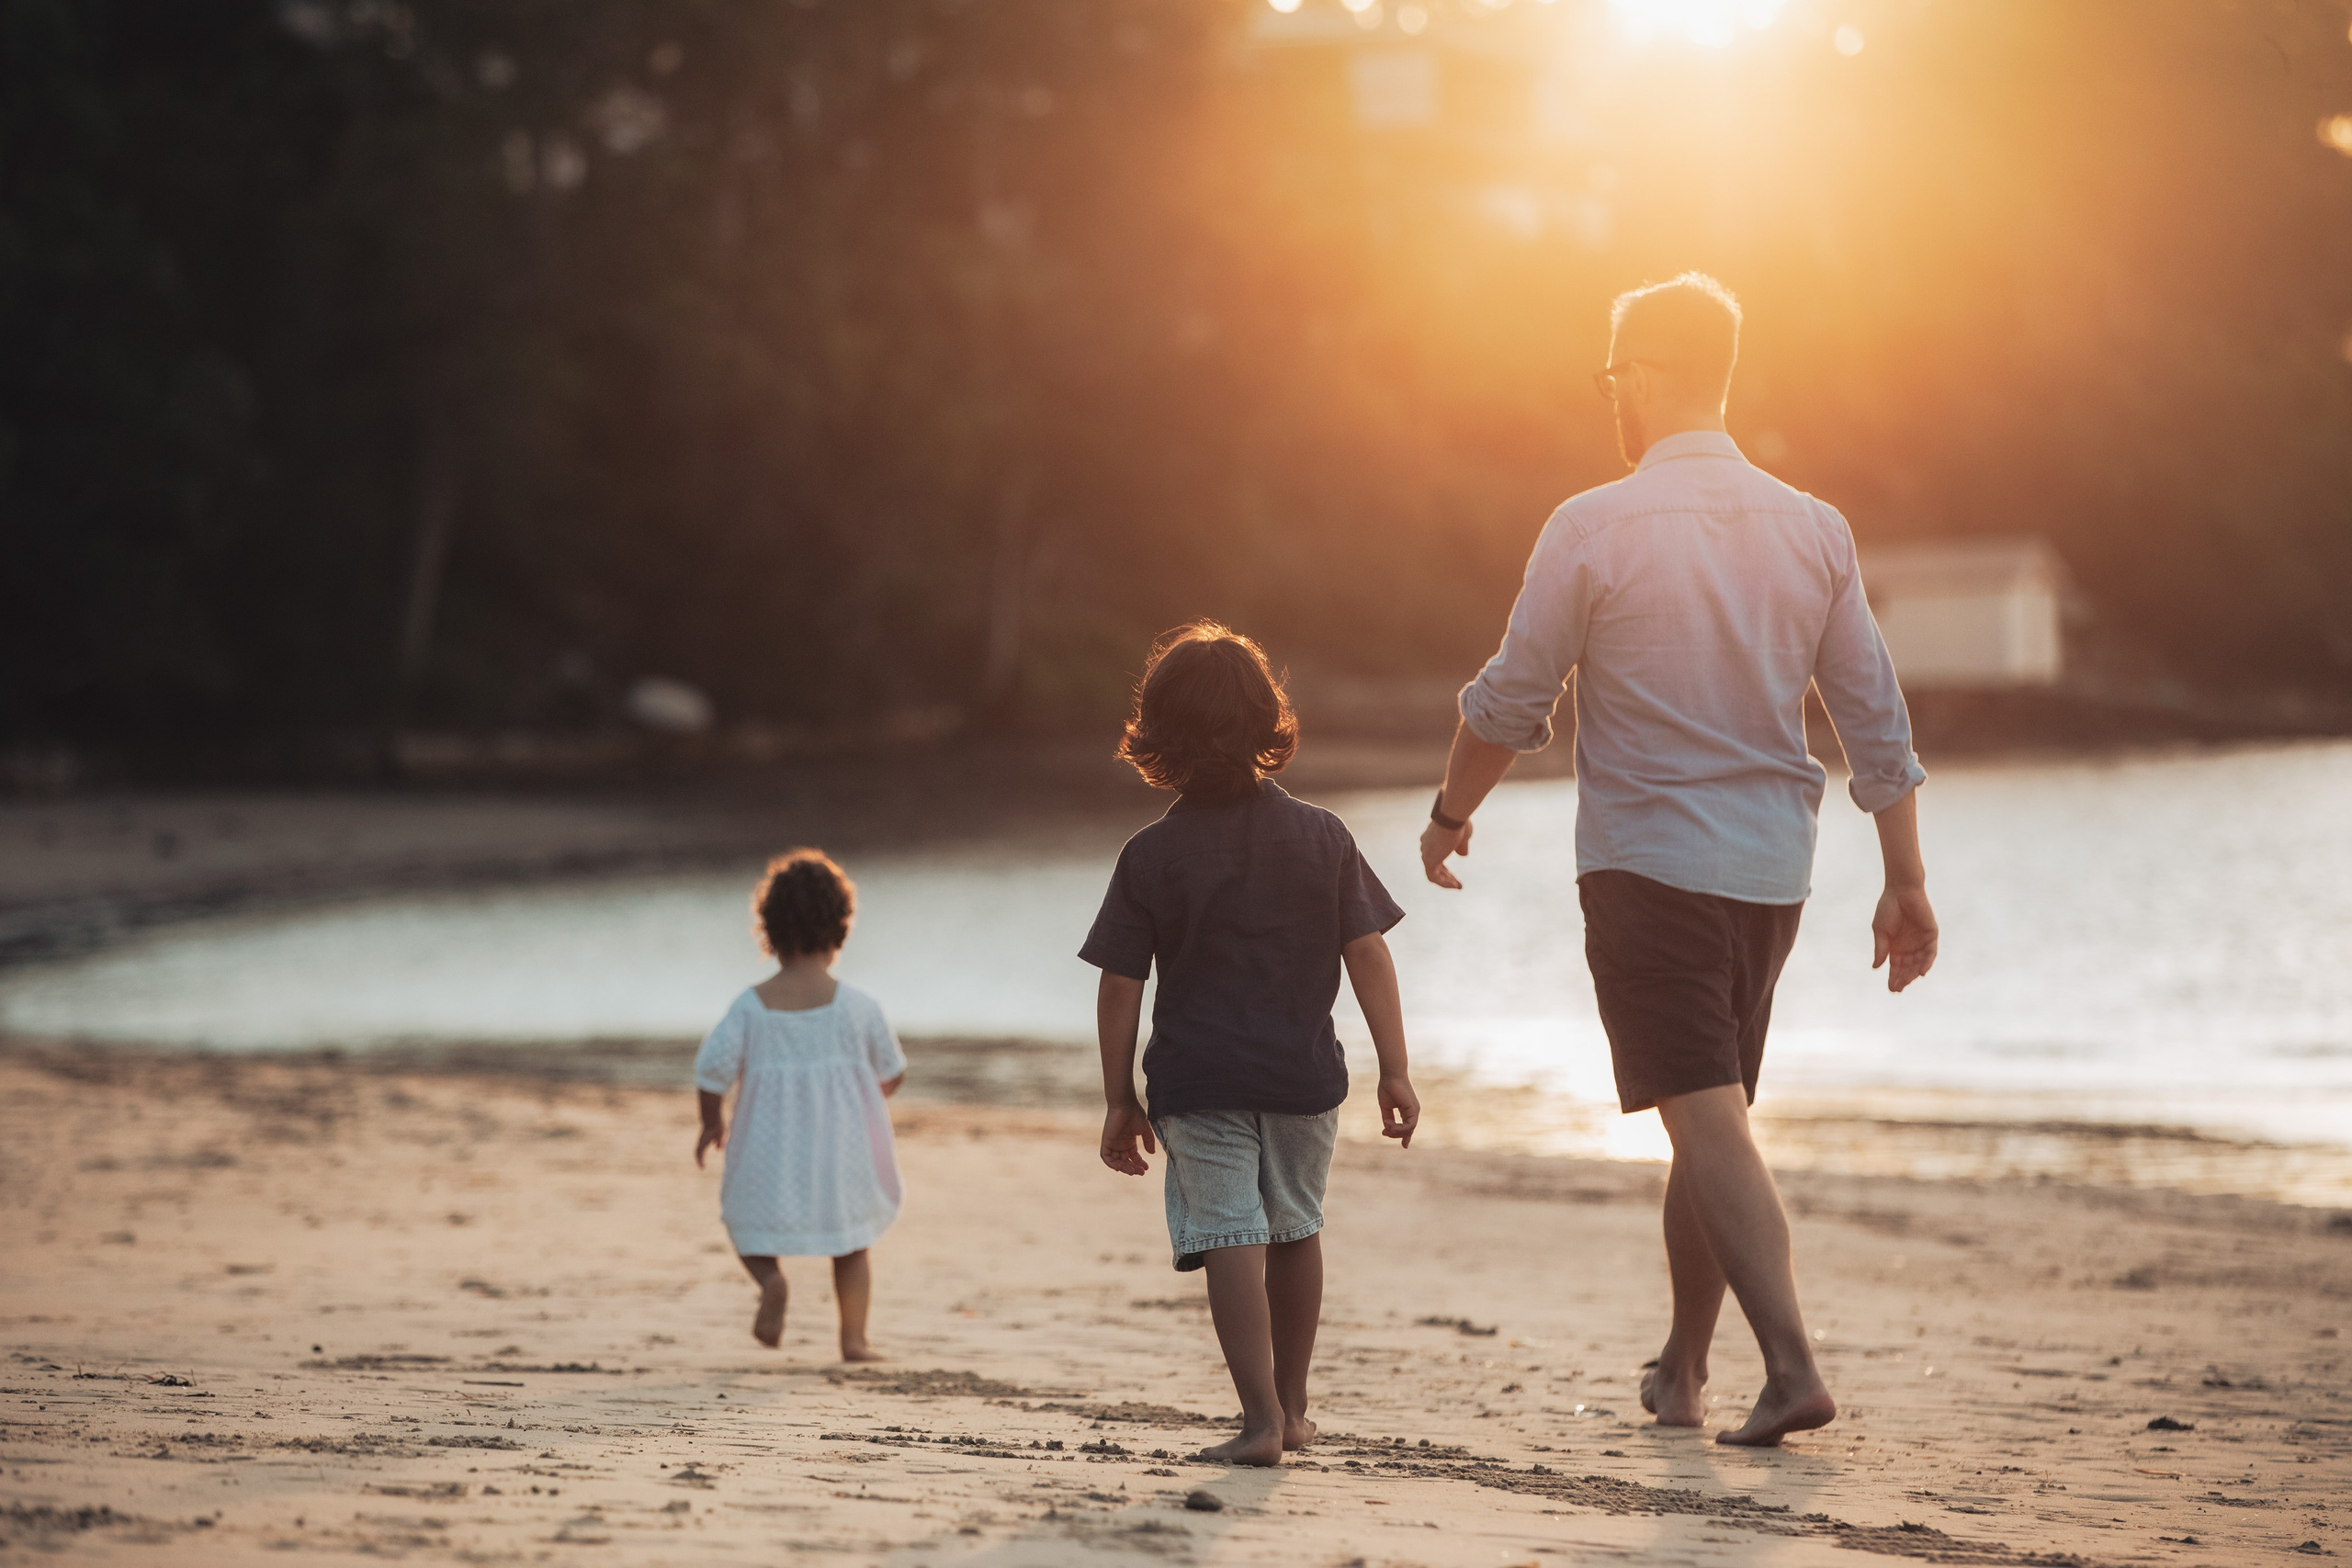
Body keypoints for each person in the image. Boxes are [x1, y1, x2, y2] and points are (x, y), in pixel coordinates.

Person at [1419, 273, 1939, 1448]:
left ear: (1644, 378)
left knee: (1707, 1123)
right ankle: (1686, 1372)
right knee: (1711, 1116)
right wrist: (1904, 879)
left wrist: (1451, 813)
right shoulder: (1813, 526)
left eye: (1613, 378)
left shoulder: (1590, 526)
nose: (1612, 399)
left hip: (1648, 869)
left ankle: (1792, 1365)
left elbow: (1509, 699)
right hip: (1771, 875)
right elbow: (1874, 718)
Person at [1082, 622, 1421, 1468]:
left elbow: (1121, 984)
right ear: (1268, 723)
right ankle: (1296, 1409)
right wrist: (1396, 1067)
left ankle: (1260, 1419)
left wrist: (1119, 1096)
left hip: (1199, 1082)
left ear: (1156, 737)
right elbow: (1369, 952)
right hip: (1303, 1075)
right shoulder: (1325, 837)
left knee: (1230, 1229)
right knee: (1296, 1227)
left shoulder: (1150, 855)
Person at [693, 849, 906, 1360]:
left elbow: (710, 1070)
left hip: (768, 1148)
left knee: (747, 1226)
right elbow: (893, 1073)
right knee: (852, 1243)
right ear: (840, 928)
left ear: (768, 928)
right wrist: (862, 1097)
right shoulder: (859, 1006)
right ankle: (853, 1340)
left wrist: (710, 1123)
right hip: (842, 1151)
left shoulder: (749, 1006)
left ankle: (770, 1283)